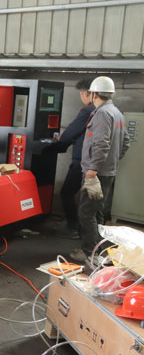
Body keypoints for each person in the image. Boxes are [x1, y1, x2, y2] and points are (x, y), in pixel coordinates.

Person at [70, 76, 130, 262]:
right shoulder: (117, 113)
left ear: (94, 94)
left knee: (86, 213)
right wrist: (111, 161)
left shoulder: (102, 113)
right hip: (107, 172)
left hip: (95, 174)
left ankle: (90, 253)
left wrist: (94, 167)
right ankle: (100, 250)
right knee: (97, 212)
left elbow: (101, 143)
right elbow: (125, 142)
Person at [52, 79, 95, 239]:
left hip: (82, 161)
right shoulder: (111, 112)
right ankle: (92, 235)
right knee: (93, 200)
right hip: (99, 164)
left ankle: (73, 228)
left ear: (86, 93)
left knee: (67, 193)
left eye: (81, 94)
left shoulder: (87, 111)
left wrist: (60, 141)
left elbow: (71, 132)